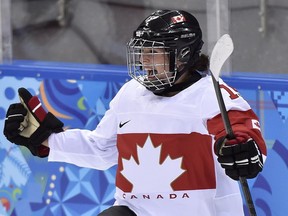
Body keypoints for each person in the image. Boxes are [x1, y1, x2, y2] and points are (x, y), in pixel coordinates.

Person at [3, 9, 266, 216]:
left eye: (153, 53)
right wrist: (45, 138)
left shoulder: (213, 96)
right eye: (142, 53)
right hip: (136, 211)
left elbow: (245, 135)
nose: (143, 61)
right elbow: (102, 149)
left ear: (182, 54)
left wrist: (244, 151)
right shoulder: (131, 93)